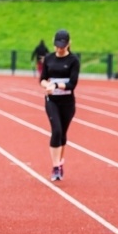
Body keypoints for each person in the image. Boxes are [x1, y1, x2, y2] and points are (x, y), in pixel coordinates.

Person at [40, 29, 80, 181]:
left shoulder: (73, 60)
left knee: (62, 133)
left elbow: (72, 83)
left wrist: (56, 85)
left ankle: (60, 163)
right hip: (52, 101)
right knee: (56, 130)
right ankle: (56, 166)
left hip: (67, 102)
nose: (60, 48)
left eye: (62, 45)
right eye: (57, 45)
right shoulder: (49, 58)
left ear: (69, 43)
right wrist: (47, 85)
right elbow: (42, 79)